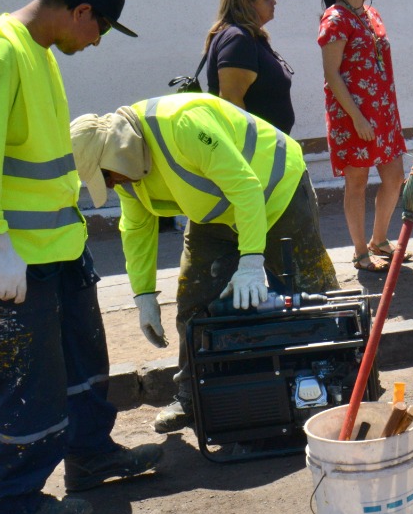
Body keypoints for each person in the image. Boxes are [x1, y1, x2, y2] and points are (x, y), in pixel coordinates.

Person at [0, 0, 159, 514]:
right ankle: (11, 504)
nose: (98, 40)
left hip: (55, 248)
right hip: (10, 257)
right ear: (80, 11)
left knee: (84, 365)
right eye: (100, 27)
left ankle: (91, 456)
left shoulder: (37, 53)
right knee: (29, 382)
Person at [69, 93, 339, 433]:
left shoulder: (182, 124)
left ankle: (345, 377)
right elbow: (136, 229)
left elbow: (246, 188)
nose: (111, 184)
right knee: (194, 302)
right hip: (215, 215)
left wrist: (251, 261)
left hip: (275, 193)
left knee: (310, 290)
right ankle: (191, 395)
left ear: (115, 153)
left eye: (107, 176)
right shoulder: (127, 171)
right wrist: (144, 295)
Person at [319, 0, 408, 273]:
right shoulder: (335, 19)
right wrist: (357, 118)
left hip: (382, 112)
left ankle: (379, 240)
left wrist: (383, 113)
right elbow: (332, 74)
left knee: (395, 177)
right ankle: (360, 252)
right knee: (356, 183)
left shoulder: (372, 14)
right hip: (352, 116)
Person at [204, 0, 295, 134]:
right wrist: (251, 145)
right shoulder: (238, 39)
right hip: (253, 147)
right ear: (247, 3)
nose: (274, 2)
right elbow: (231, 103)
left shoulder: (251, 37)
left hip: (268, 145)